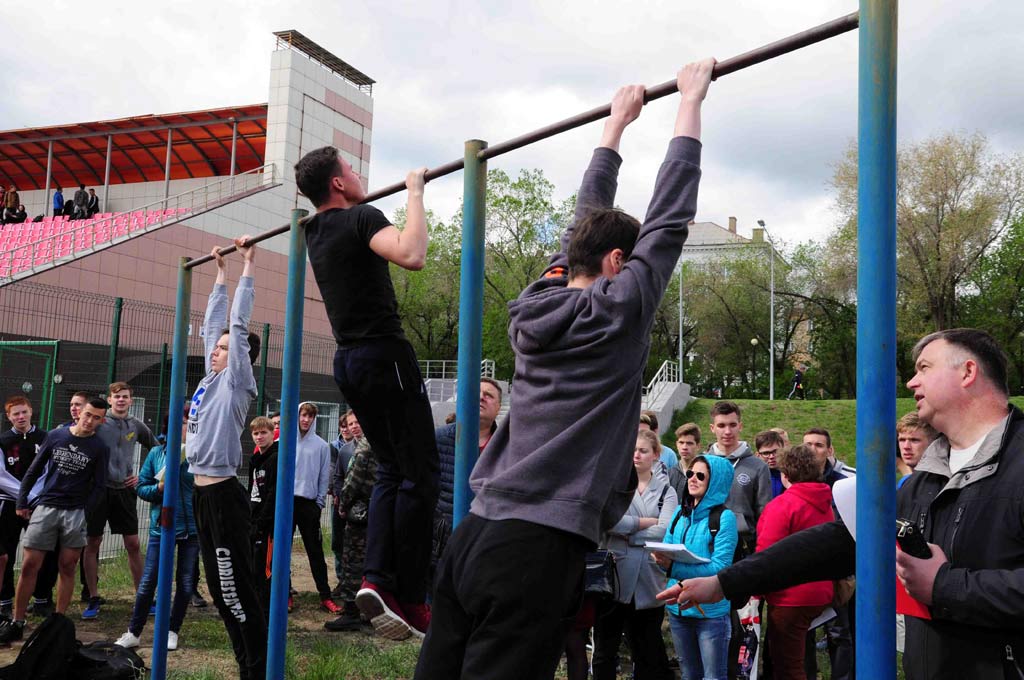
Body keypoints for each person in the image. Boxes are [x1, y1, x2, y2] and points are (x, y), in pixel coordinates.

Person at [414, 59, 715, 680]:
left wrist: (615, 128)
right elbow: (669, 220)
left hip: (476, 531)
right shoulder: (620, 310)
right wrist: (691, 101)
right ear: (614, 262)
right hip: (539, 543)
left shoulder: (538, 299)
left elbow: (587, 221)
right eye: (628, 264)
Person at [296, 143, 440, 640]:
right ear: (338, 183)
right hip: (384, 355)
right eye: (352, 169)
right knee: (421, 475)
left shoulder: (312, 230)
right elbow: (413, 254)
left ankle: (377, 580)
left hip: (350, 362)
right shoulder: (360, 218)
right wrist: (416, 193)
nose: (359, 175)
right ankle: (412, 595)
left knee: (391, 470)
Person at [895, 328, 1024, 679]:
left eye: (923, 368)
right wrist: (733, 581)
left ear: (968, 373)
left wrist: (943, 585)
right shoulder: (923, 478)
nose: (910, 383)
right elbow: (844, 537)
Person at [185, 236, 266, 680]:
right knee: (218, 588)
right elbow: (213, 325)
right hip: (200, 492)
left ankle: (256, 667)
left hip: (222, 495)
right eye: (214, 348)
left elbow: (235, 326)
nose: (213, 350)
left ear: (239, 357)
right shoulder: (209, 377)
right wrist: (219, 272)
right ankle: (246, 663)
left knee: (233, 589)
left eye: (221, 349)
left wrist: (248, 265)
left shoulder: (237, 381)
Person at [0, 398, 109, 644]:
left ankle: (58, 624)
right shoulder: (57, 436)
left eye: (96, 418)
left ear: (102, 421)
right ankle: (17, 621)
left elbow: (100, 486)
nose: (90, 421)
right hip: (46, 507)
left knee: (67, 566)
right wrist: (22, 501)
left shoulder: (100, 448)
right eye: (88, 414)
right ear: (80, 412)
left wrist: (85, 512)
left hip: (75, 513)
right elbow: (34, 470)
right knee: (29, 565)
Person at [592, 429, 678, 680]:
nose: (636, 455)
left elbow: (664, 530)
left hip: (648, 580)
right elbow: (608, 522)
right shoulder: (614, 486)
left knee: (647, 649)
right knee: (605, 649)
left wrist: (628, 532)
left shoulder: (666, 491)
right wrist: (643, 523)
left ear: (656, 455)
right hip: (613, 578)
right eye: (632, 450)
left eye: (642, 450)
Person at [115, 409, 198, 652]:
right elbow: (142, 486)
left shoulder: (198, 453)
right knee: (148, 580)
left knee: (184, 583)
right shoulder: (156, 453)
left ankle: (172, 630)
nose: (186, 427)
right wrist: (158, 490)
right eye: (183, 422)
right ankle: (134, 631)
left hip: (192, 527)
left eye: (190, 423)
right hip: (162, 525)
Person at [653, 454, 737, 680]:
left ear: (716, 482)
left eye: (701, 476)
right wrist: (662, 561)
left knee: (713, 676)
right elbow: (668, 552)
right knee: (689, 673)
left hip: (710, 613)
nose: (692, 479)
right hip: (679, 609)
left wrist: (672, 568)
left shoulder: (724, 518)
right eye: (690, 473)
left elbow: (721, 568)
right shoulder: (681, 513)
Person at [755, 444, 835, 680]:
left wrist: (753, 594)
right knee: (799, 657)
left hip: (790, 597)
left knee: (787, 667)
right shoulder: (824, 501)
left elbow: (766, 556)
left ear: (785, 474)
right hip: (819, 591)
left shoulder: (783, 505)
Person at [83, 381, 158, 619]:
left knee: (134, 544)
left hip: (125, 490)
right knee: (93, 542)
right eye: (117, 397)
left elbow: (157, 450)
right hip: (99, 490)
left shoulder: (135, 425)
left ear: (130, 400)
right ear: (109, 400)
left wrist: (144, 477)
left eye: (125, 396)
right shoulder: (100, 423)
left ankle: (143, 596)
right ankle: (93, 597)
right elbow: (79, 440)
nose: (121, 400)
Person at [433, 377, 502, 569]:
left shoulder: (509, 446)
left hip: (487, 543)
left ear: (498, 408)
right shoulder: (439, 439)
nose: (481, 398)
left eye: (488, 396)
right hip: (441, 545)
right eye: (475, 394)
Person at [0, 397, 50, 618]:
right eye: (15, 414)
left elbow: (49, 470)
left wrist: (34, 497)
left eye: (24, 412)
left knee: (41, 554)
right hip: (9, 504)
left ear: (31, 412)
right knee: (6, 555)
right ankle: (4, 601)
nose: (20, 417)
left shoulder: (46, 438)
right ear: (8, 417)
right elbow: (1, 476)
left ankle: (41, 599)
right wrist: (24, 496)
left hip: (38, 504)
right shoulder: (2, 441)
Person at [325, 431, 378, 633]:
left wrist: (344, 502)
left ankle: (351, 612)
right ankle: (368, 612)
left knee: (353, 562)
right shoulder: (389, 439)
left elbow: (355, 477)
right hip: (379, 509)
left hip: (360, 512)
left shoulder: (366, 445)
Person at [292, 402, 339, 614]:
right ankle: (285, 595)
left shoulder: (321, 446)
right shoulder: (283, 441)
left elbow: (323, 476)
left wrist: (319, 502)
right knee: (281, 551)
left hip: (309, 504)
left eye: (310, 416)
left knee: (315, 551)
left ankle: (325, 596)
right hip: (286, 503)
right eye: (303, 415)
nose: (306, 419)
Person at [248, 416, 278, 613]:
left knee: (266, 571)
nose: (259, 437)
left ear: (272, 433)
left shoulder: (275, 458)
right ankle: (256, 608)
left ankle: (266, 613)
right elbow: (253, 491)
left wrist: (261, 523)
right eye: (256, 433)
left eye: (263, 433)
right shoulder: (255, 460)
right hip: (254, 521)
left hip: (267, 526)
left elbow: (273, 494)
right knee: (254, 569)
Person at [329, 410, 359, 596]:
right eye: (350, 424)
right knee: (338, 544)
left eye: (356, 422)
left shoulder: (374, 448)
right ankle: (343, 582)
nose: (353, 426)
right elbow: (338, 477)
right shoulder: (345, 450)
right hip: (343, 508)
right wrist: (340, 501)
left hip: (365, 510)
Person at [896, 411, 937, 488]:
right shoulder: (904, 483)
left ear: (932, 443)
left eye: (914, 440)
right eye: (902, 440)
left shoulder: (937, 483)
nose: (906, 446)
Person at [668, 422, 702, 500]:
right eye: (681, 442)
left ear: (698, 446)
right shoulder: (670, 473)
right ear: (677, 444)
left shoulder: (704, 473)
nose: (684, 447)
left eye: (689, 443)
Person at [754, 430, 786, 498]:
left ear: (783, 450)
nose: (771, 456)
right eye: (766, 453)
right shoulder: (752, 478)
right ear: (757, 455)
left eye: (776, 451)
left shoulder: (796, 476)